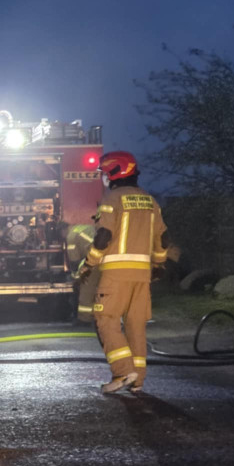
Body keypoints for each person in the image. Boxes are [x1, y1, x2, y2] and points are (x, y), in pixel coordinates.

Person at [78, 151, 169, 394]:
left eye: (106, 173)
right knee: (135, 326)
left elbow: (103, 236)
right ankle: (137, 380)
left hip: (116, 275)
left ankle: (122, 371)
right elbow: (163, 239)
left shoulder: (113, 199)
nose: (104, 178)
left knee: (106, 320)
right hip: (142, 276)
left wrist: (89, 263)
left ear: (115, 172)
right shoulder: (151, 201)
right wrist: (159, 264)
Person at [66, 223, 99, 323]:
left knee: (86, 289)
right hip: (106, 258)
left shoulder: (70, 236)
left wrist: (75, 278)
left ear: (62, 231)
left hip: (95, 259)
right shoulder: (81, 228)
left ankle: (84, 319)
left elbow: (74, 261)